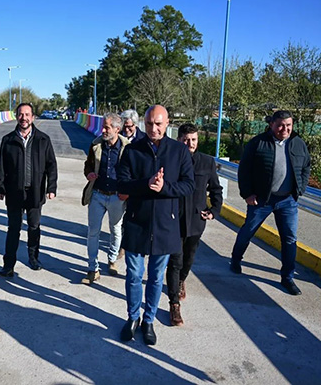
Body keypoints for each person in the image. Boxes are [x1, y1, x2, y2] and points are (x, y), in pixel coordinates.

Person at [117, 105, 194, 345]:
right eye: (149, 123)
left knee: (156, 277)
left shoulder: (179, 151)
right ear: (144, 123)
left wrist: (164, 187)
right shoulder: (132, 150)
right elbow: (122, 185)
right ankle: (133, 318)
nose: (154, 128)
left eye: (158, 123)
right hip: (136, 222)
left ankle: (148, 320)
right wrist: (145, 184)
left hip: (165, 225)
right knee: (133, 274)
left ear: (167, 123)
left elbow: (188, 185)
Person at [230, 110, 311, 296]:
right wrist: (247, 194)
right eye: (280, 125)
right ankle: (235, 260)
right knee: (248, 231)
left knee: (289, 239)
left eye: (288, 125)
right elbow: (244, 170)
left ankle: (287, 277)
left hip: (288, 200)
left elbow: (306, 166)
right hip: (261, 199)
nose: (285, 129)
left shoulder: (298, 143)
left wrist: (300, 188)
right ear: (271, 125)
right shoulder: (258, 143)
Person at [165, 123, 223, 326]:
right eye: (186, 140)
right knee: (175, 260)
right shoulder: (171, 161)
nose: (190, 143)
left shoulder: (207, 162)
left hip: (196, 221)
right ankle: (174, 304)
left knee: (188, 258)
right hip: (174, 220)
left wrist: (214, 210)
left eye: (194, 140)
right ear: (178, 140)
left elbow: (216, 189)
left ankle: (182, 280)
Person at [0, 103, 58, 277]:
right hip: (14, 192)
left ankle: (33, 258)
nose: (24, 118)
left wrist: (51, 187)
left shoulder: (43, 140)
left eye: (27, 114)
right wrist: (0, 187)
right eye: (21, 114)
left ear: (33, 117)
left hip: (35, 192)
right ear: (17, 116)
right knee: (13, 229)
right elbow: (1, 166)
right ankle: (8, 265)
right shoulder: (8, 140)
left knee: (34, 227)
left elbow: (51, 165)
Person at [81, 113, 130, 284]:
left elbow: (133, 172)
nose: (103, 130)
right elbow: (88, 164)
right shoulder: (96, 145)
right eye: (103, 126)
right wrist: (89, 173)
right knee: (92, 232)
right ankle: (92, 268)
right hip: (97, 194)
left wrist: (127, 192)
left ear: (117, 129)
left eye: (107, 127)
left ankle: (112, 259)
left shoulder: (127, 148)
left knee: (115, 230)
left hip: (117, 196)